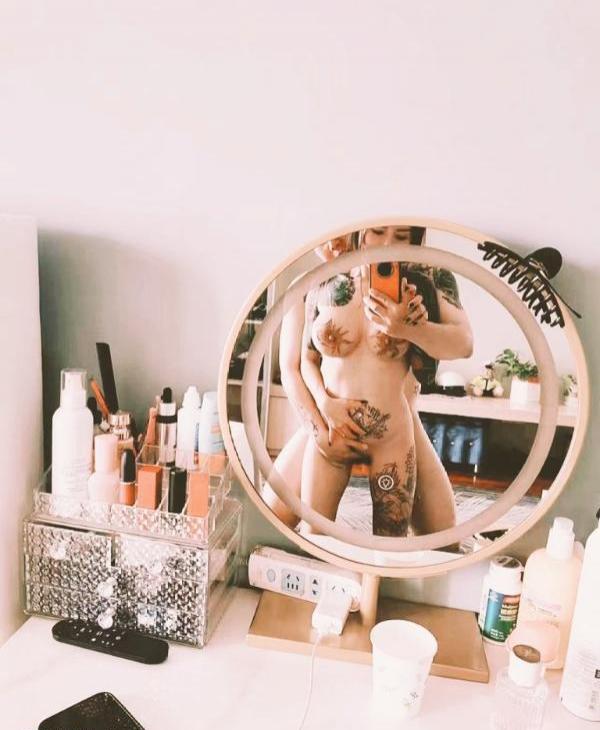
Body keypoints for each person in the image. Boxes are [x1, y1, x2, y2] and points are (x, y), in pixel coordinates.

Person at [263, 226, 472, 537]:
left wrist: (410, 329)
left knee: (441, 538)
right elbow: (295, 366)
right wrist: (319, 422)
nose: (387, 244)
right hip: (329, 422)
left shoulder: (426, 279)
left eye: (400, 236)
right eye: (377, 232)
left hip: (396, 427)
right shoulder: (315, 285)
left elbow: (463, 344)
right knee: (275, 520)